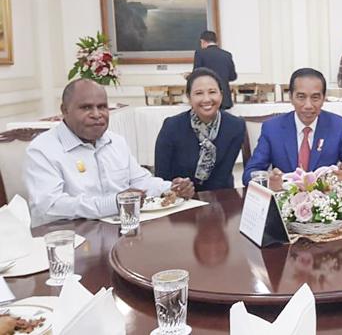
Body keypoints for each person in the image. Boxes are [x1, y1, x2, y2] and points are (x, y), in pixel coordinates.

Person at [24, 79, 195, 227]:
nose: (97, 115)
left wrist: (171, 188)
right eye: (86, 108)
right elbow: (51, 206)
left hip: (119, 231)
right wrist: (113, 203)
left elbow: (140, 181)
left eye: (102, 107)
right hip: (67, 238)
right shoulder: (42, 150)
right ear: (65, 110)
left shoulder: (115, 141)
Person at [242, 68, 342, 189]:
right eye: (301, 97)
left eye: (315, 97)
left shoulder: (339, 126)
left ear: (323, 98)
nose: (308, 105)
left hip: (324, 201)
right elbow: (250, 173)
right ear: (290, 97)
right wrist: (268, 181)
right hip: (284, 201)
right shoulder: (272, 128)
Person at [155, 68, 246, 192]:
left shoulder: (235, 126)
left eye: (212, 92)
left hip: (221, 198)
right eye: (199, 93)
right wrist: (177, 188)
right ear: (189, 97)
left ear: (221, 93)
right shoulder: (172, 126)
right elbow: (161, 177)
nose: (206, 99)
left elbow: (223, 175)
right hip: (180, 200)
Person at [193, 30, 237, 109]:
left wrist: (188, 76)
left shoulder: (200, 54)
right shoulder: (227, 55)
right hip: (224, 98)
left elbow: (196, 76)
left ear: (202, 41)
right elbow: (233, 76)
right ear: (216, 41)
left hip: (207, 98)